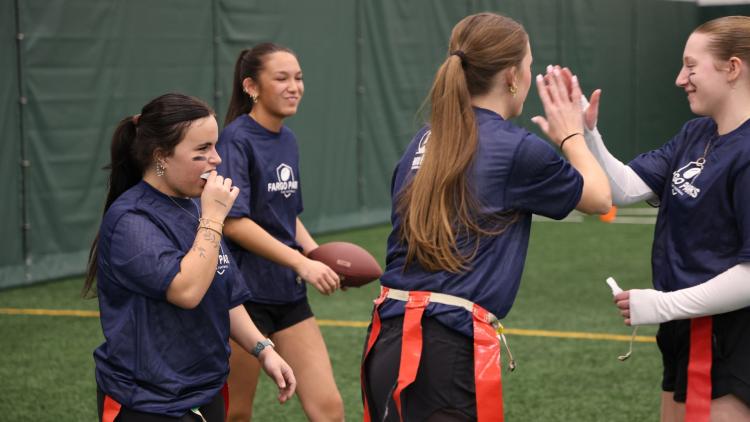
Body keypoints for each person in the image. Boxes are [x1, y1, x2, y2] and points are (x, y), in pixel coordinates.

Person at [360, 12, 612, 422]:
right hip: (443, 352)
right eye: (529, 67)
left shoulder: (423, 140)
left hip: (389, 339)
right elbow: (601, 198)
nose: (529, 79)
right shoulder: (515, 148)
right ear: (512, 76)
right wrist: (572, 136)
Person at [82, 93, 296, 422]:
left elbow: (222, 290)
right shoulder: (131, 220)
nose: (217, 159)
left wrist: (262, 349)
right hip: (147, 401)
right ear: (161, 157)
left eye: (214, 146)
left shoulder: (196, 203)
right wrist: (213, 219)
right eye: (202, 151)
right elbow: (187, 290)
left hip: (204, 390)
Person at [581, 15, 750, 422]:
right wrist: (587, 133)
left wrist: (663, 303)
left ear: (733, 69)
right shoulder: (696, 133)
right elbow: (623, 188)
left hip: (730, 336)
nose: (680, 78)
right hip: (683, 330)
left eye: (691, 66)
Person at [216, 44, 344, 422]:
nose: (294, 86)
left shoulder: (287, 139)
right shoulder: (235, 139)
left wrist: (320, 257)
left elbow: (287, 217)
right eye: (282, 78)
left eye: (299, 78)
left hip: (288, 295)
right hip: (243, 298)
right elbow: (234, 222)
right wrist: (301, 264)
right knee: (235, 414)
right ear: (252, 87)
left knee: (330, 409)